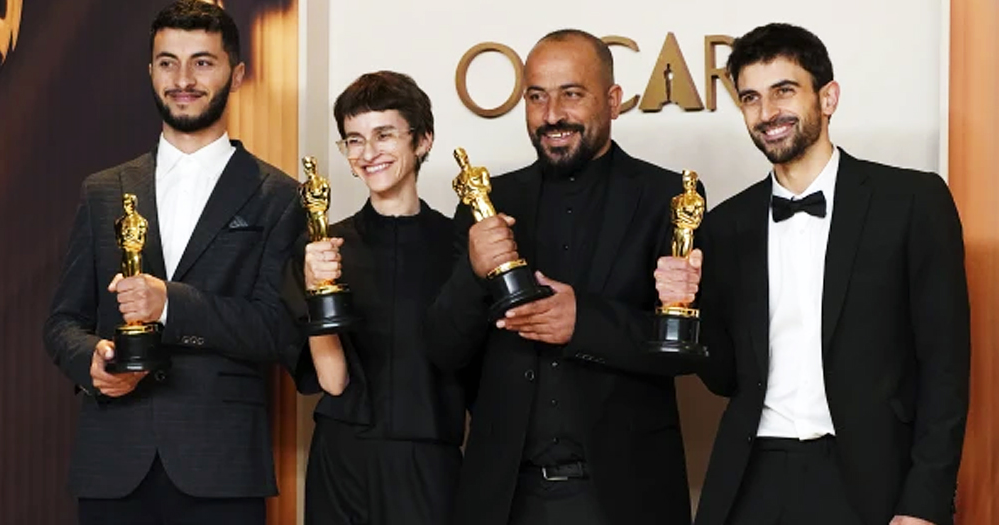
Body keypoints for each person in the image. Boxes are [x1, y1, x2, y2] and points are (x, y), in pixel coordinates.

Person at [655, 22, 970, 525]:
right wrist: (689, 308)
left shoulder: (912, 202)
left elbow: (945, 369)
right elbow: (725, 378)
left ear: (828, 98)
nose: (767, 113)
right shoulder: (725, 226)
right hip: (751, 478)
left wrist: (924, 503)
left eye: (784, 91)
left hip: (869, 480)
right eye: (751, 98)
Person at [42, 2, 304, 523]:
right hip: (112, 464)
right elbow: (62, 322)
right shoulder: (103, 191)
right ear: (150, 72)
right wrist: (92, 361)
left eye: (203, 62)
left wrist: (171, 305)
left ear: (238, 73)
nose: (183, 79)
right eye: (168, 62)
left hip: (222, 469)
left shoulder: (280, 197)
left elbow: (280, 332)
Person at [425, 29, 700, 525]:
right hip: (506, 499)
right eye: (537, 96)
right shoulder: (486, 205)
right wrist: (474, 272)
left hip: (625, 498)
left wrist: (585, 322)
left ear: (613, 102)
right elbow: (444, 351)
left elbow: (696, 350)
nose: (552, 115)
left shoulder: (668, 199)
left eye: (572, 94)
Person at [293, 70, 472, 525]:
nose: (368, 153)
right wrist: (317, 290)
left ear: (423, 140)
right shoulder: (323, 249)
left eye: (384, 135)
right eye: (354, 140)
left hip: (430, 460)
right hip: (342, 461)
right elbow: (332, 381)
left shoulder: (460, 245)